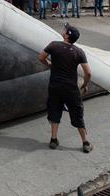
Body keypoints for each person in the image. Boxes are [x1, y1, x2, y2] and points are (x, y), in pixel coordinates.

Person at [38, 24, 93, 153]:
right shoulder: (79, 52)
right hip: (71, 88)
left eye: (64, 30)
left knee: (55, 111)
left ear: (67, 35)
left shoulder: (53, 45)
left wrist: (51, 64)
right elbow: (88, 73)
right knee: (77, 113)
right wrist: (84, 85)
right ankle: (85, 142)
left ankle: (53, 139)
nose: (62, 31)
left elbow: (41, 58)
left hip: (55, 86)